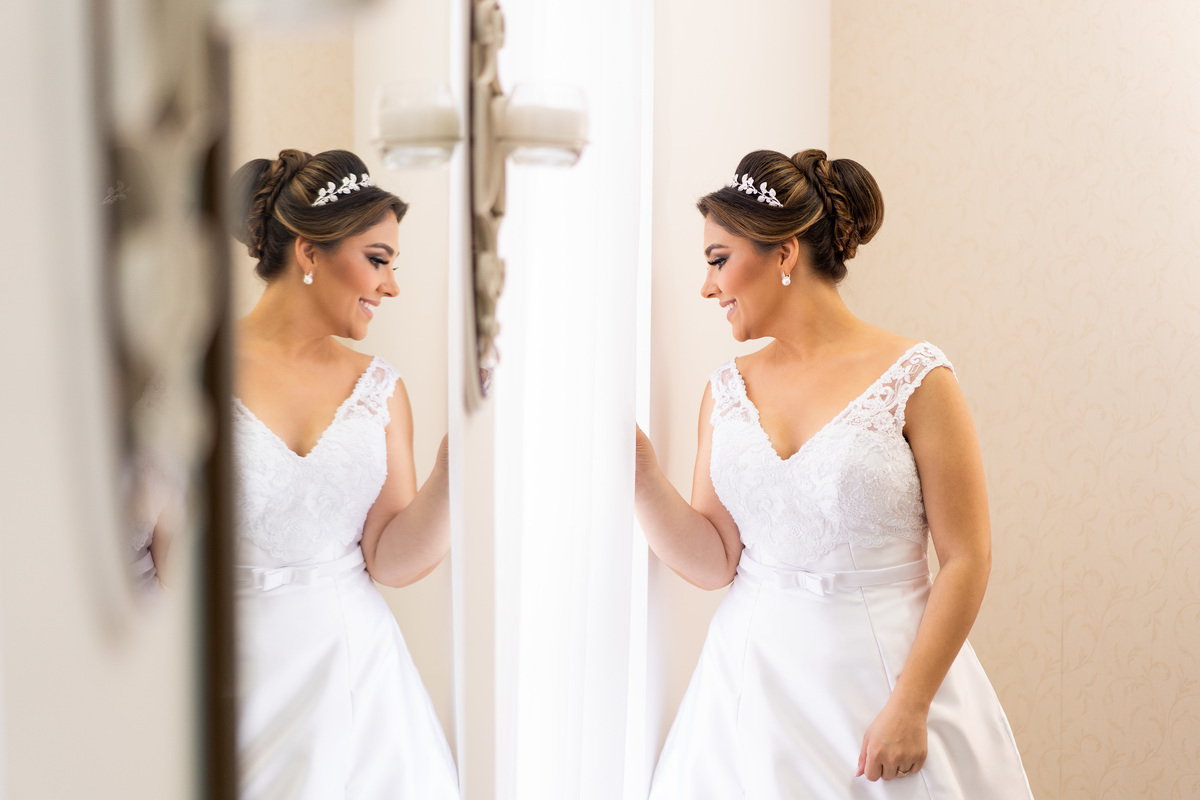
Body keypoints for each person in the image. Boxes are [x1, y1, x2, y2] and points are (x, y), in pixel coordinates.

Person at [635, 149, 1033, 798]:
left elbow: (968, 556)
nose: (707, 287)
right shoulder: (726, 391)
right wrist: (637, 470)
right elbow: (714, 561)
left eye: (718, 261)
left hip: (883, 682)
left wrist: (911, 704)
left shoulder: (917, 377)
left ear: (784, 254)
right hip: (751, 693)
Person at [229, 149, 458, 799]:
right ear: (308, 252)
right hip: (230, 676)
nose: (391, 286)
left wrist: (455, 467)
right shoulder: (194, 372)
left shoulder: (380, 390)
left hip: (358, 682)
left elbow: (390, 560)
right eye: (379, 259)